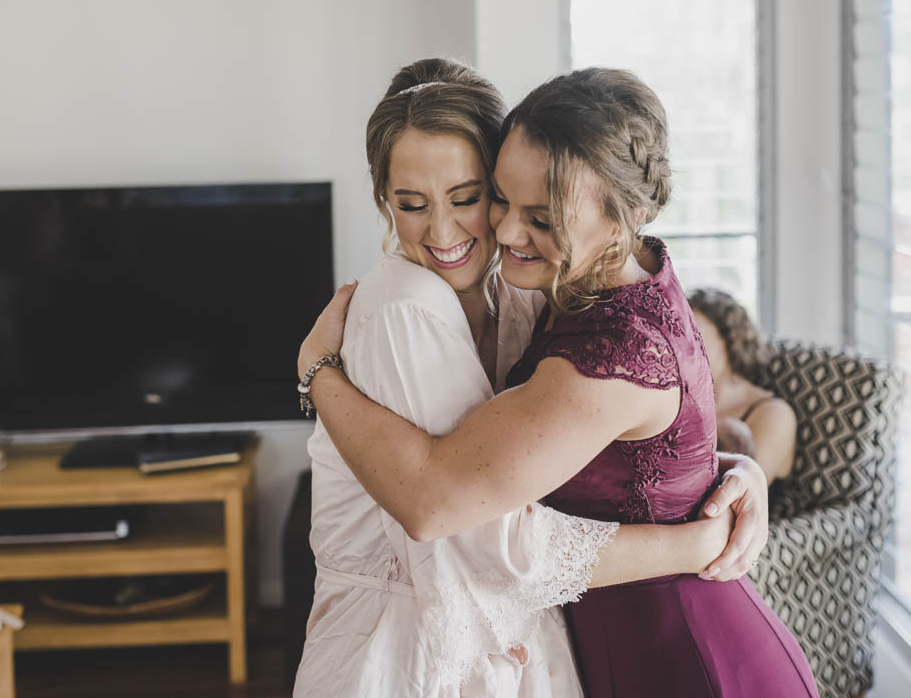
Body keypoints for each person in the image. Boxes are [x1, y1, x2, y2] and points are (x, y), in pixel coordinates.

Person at [300, 67, 818, 697]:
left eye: (538, 216)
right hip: (597, 643)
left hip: (686, 657)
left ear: (624, 216)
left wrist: (314, 374)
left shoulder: (603, 342)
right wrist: (721, 475)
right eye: (504, 201)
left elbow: (445, 505)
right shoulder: (569, 289)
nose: (508, 232)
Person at [689, 287, 797, 484]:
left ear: (731, 340)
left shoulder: (774, 414)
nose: (681, 348)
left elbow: (745, 493)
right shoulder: (682, 404)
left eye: (695, 336)